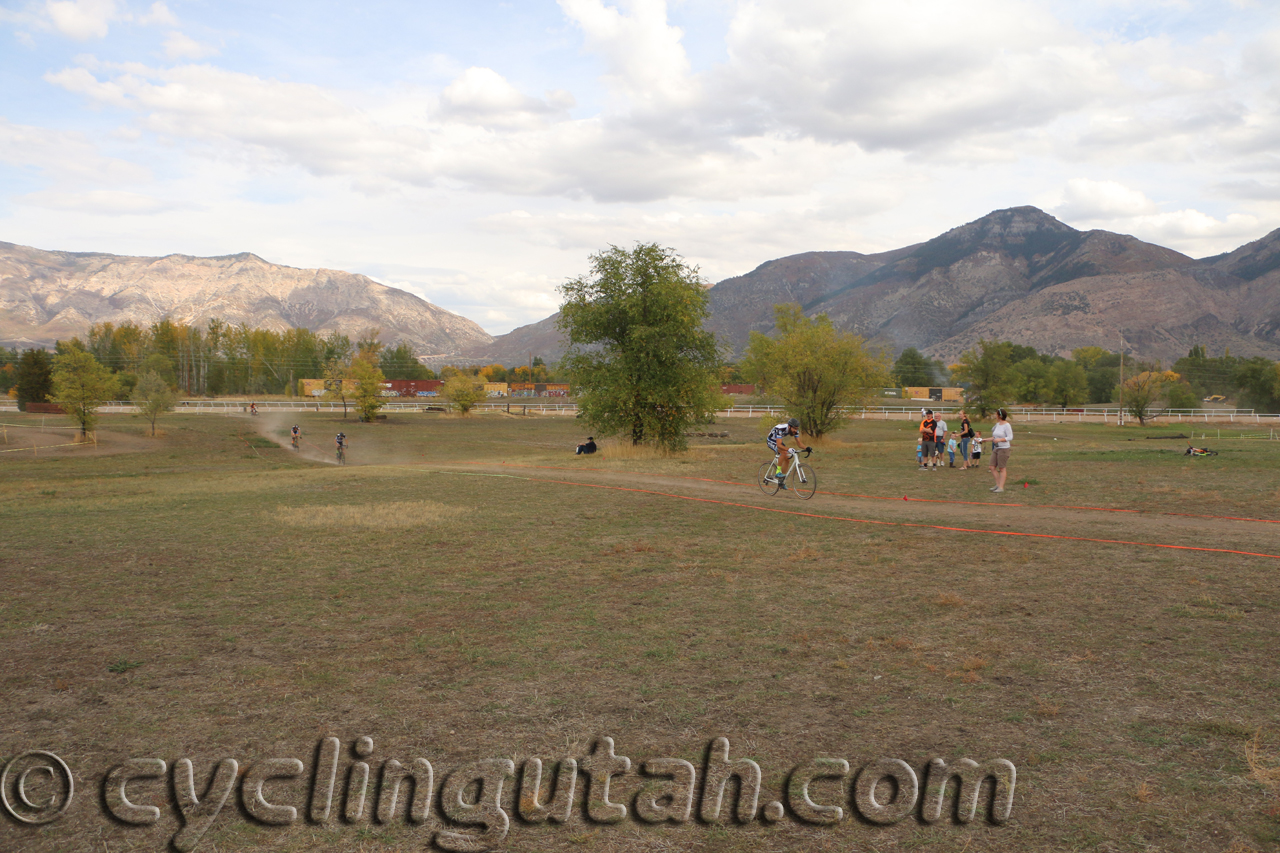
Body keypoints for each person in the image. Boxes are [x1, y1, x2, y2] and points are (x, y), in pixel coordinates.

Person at [766, 417, 811, 490]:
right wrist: (788, 449)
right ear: (789, 426)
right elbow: (779, 445)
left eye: (797, 429)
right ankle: (777, 472)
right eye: (794, 429)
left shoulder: (795, 431)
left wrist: (806, 448)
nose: (795, 431)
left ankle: (781, 481)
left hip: (778, 441)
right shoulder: (781, 429)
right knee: (784, 452)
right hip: (771, 441)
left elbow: (799, 443)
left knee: (787, 459)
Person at [989, 409, 1013, 494]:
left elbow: (1010, 437)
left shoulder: (1007, 425)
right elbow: (994, 437)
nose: (995, 416)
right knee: (992, 467)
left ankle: (1001, 487)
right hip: (996, 448)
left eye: (996, 414)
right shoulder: (997, 425)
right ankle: (998, 484)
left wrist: (1000, 439)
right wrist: (983, 440)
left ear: (1000, 415)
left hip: (1004, 449)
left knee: (1002, 468)